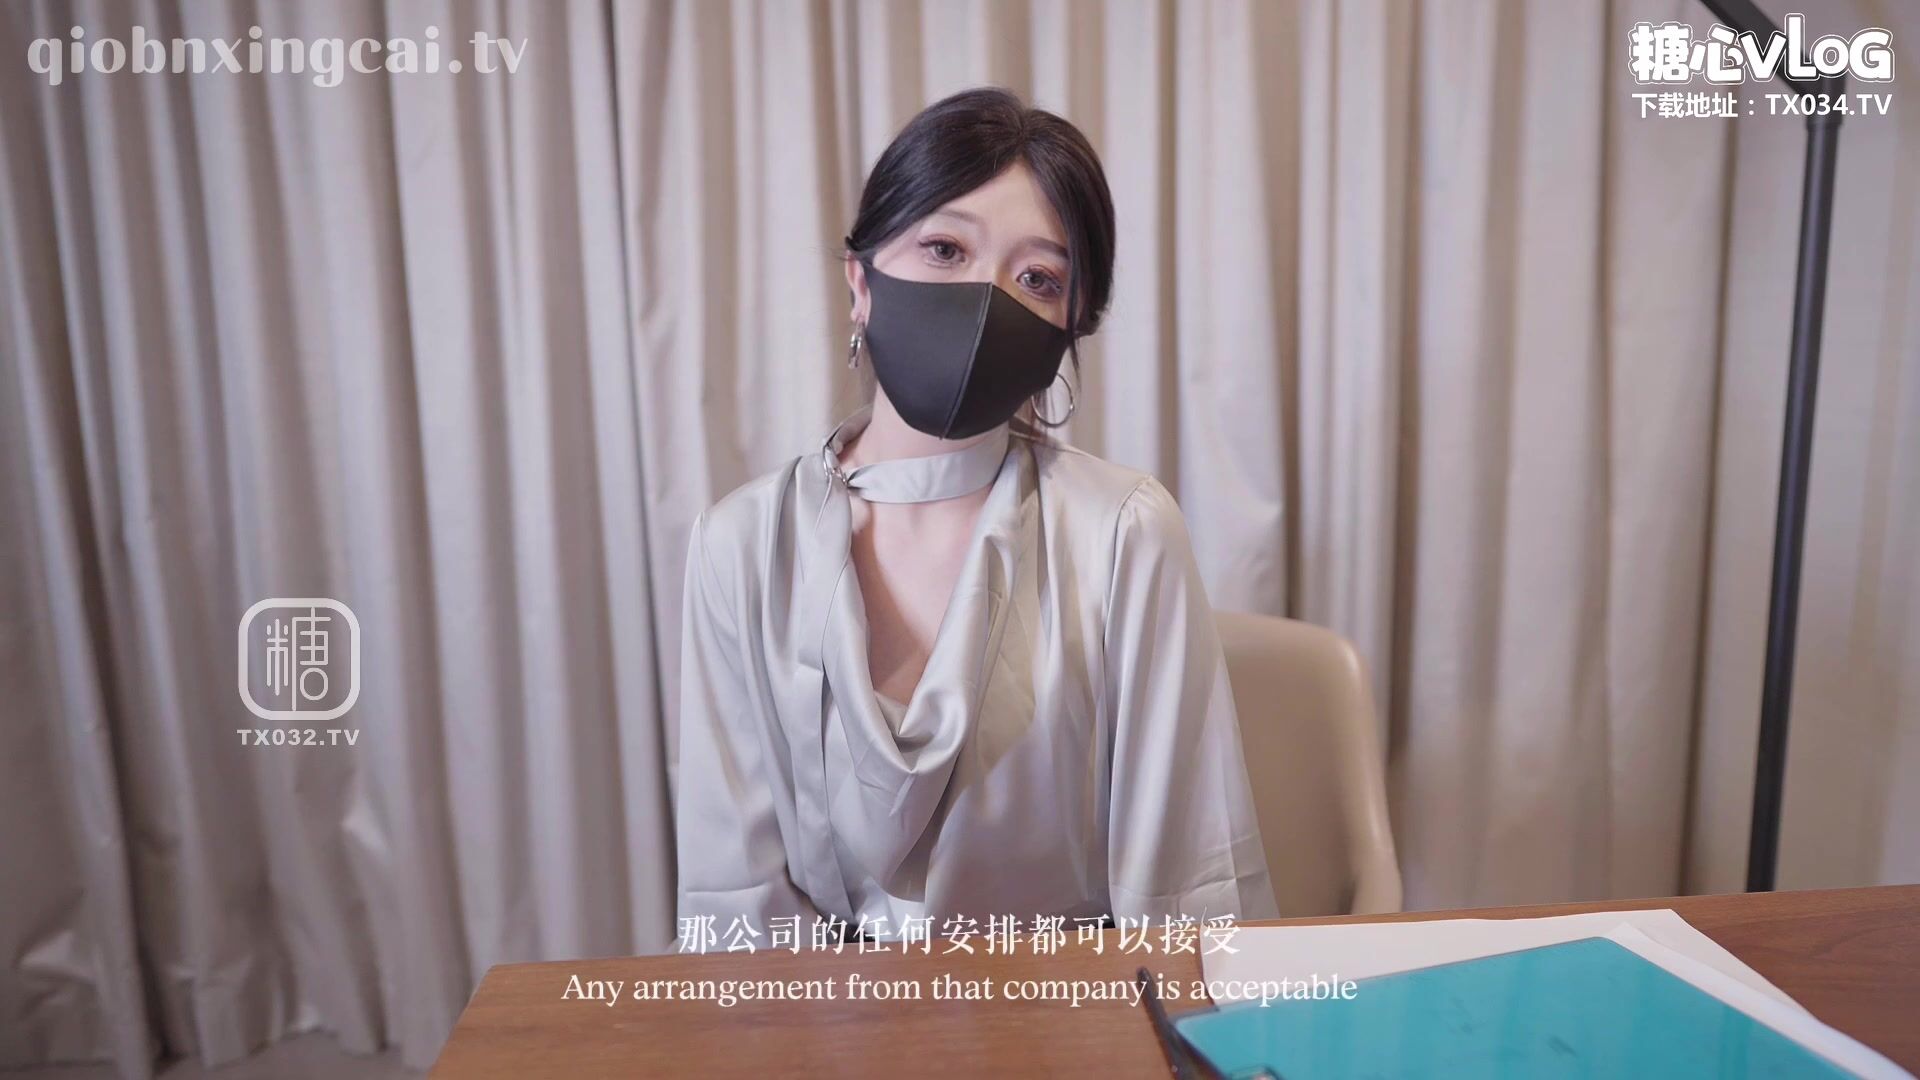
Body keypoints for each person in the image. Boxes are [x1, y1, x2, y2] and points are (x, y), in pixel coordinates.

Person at [674, 86, 1277, 941]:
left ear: (1069, 328)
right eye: (945, 249)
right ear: (861, 282)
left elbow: (1186, 894)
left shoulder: (1122, 534)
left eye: (1037, 278)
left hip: (1067, 1006)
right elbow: (734, 900)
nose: (985, 299)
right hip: (819, 1011)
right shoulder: (740, 545)